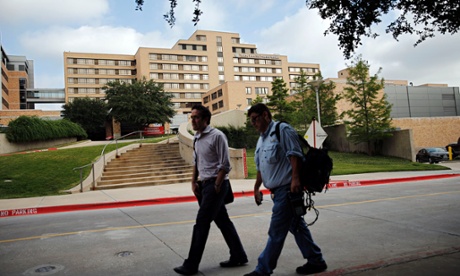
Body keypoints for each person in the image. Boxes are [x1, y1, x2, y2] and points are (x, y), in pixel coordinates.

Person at [244, 103, 327, 276]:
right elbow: (262, 167)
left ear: (266, 115)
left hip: (287, 190)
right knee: (296, 226)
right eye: (251, 120)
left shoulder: (282, 130)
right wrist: (256, 187)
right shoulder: (261, 139)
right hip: (276, 191)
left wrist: (295, 178)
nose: (253, 123)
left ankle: (262, 270)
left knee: (276, 231)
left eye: (255, 119)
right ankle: (316, 260)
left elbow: (295, 154)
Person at [174, 104, 248, 275]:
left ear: (205, 119)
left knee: (201, 223)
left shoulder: (217, 136)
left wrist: (216, 185)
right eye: (191, 117)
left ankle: (191, 264)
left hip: (216, 184)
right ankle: (238, 255)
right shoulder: (197, 138)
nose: (193, 120)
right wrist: (193, 182)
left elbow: (225, 164)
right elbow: (196, 162)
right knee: (223, 221)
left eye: (196, 117)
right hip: (204, 184)